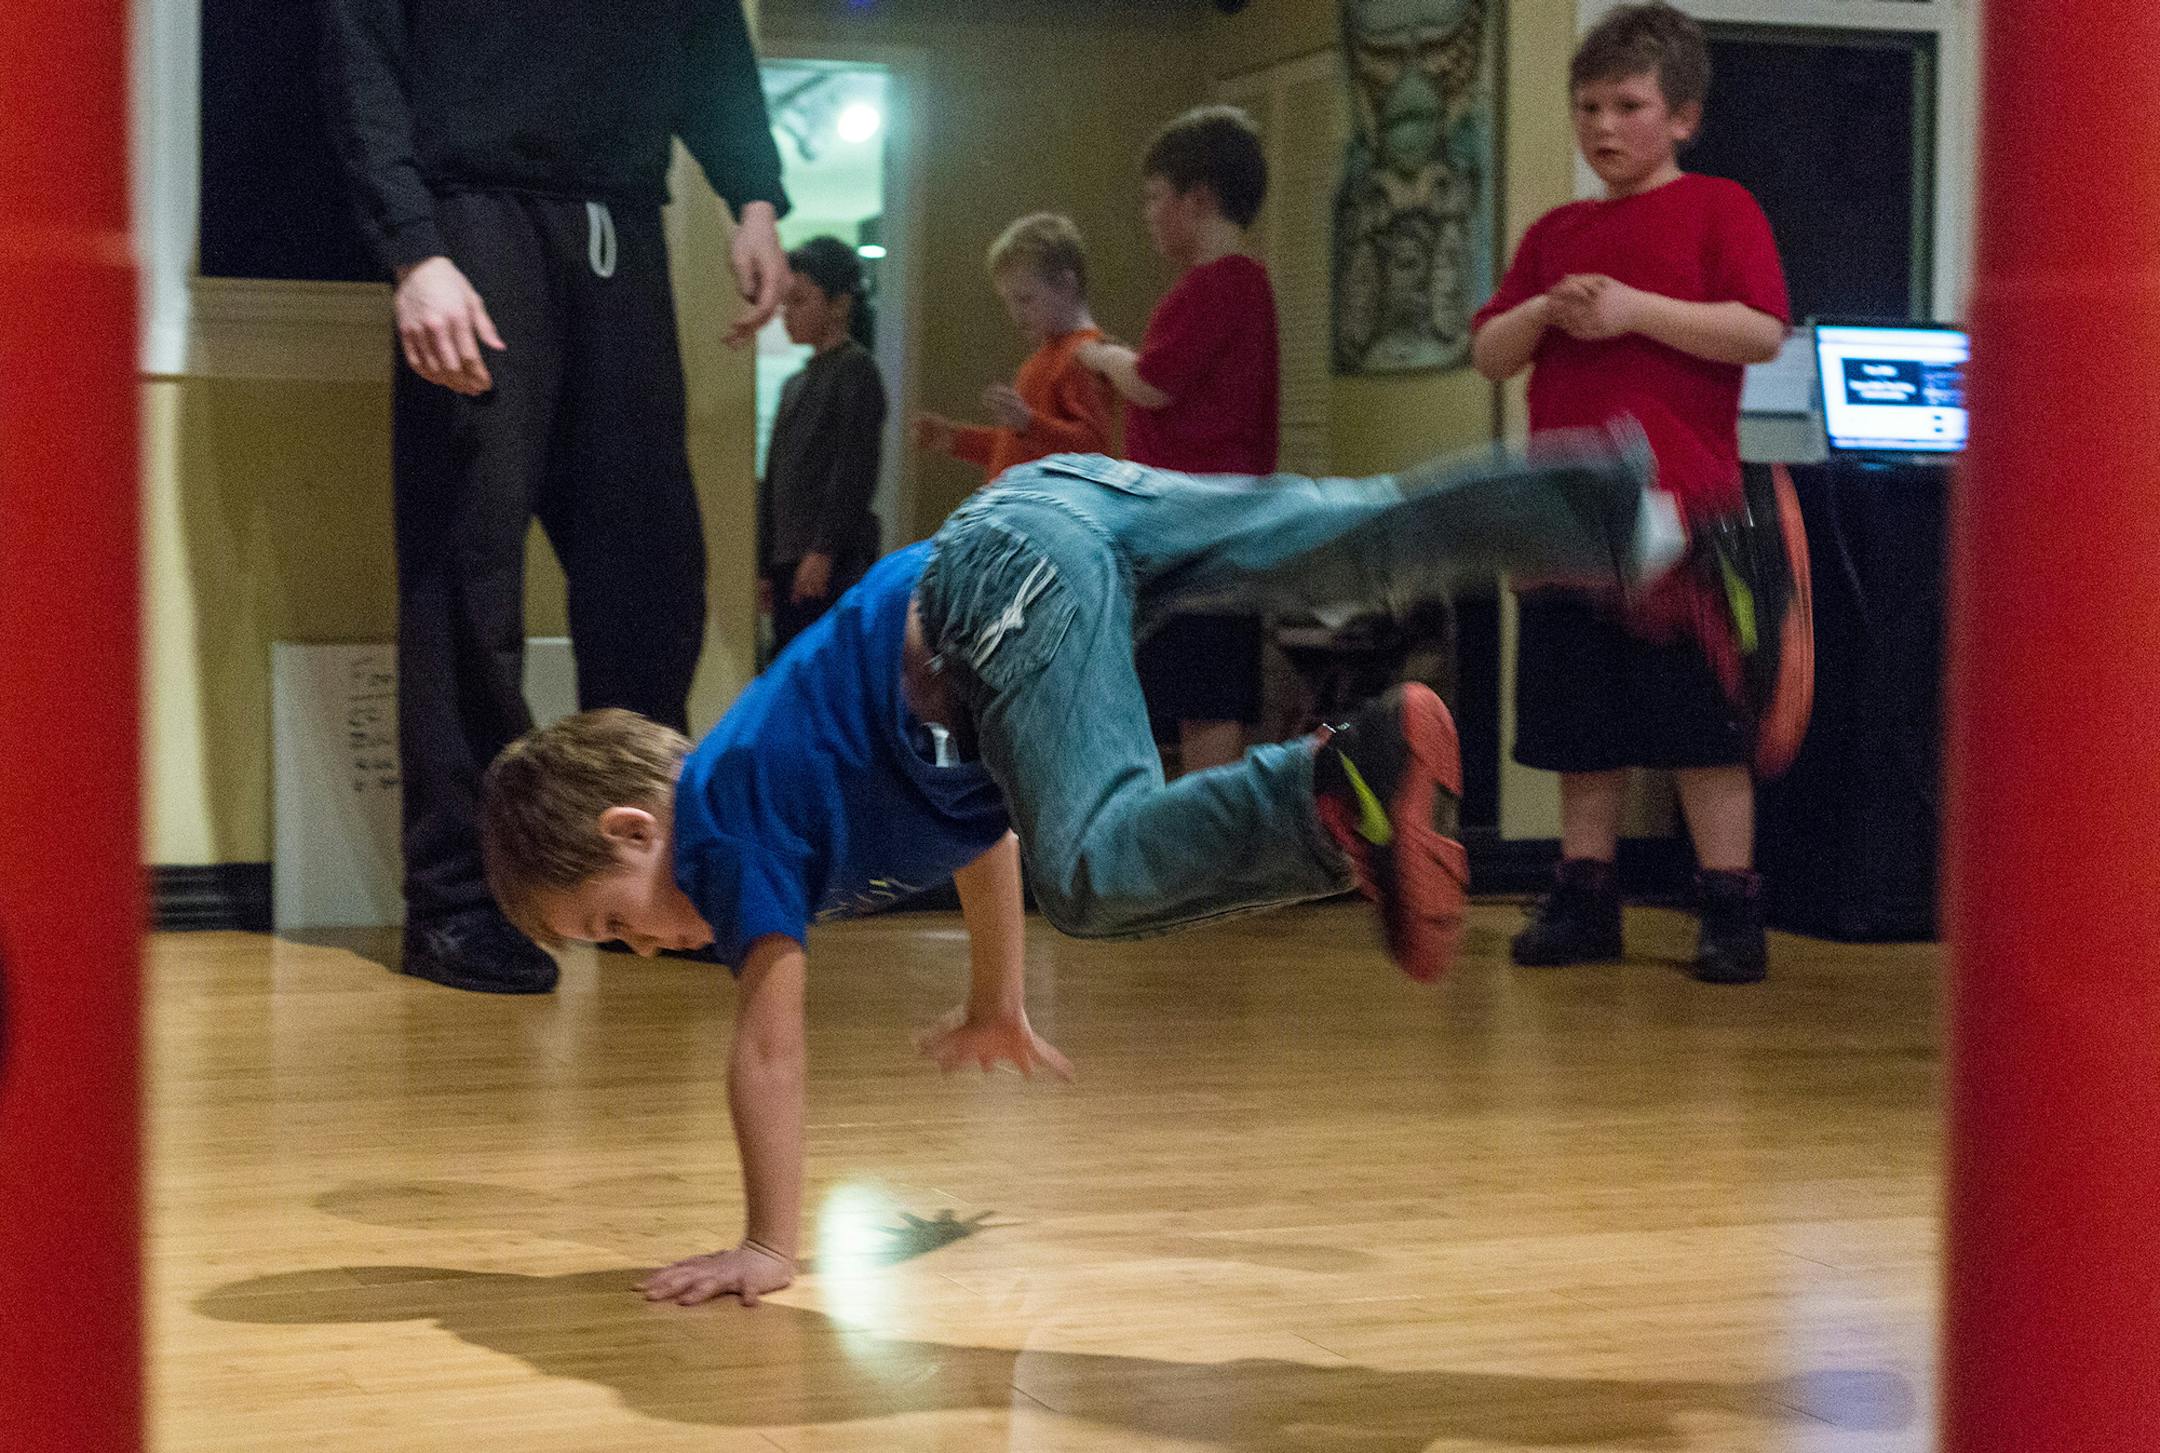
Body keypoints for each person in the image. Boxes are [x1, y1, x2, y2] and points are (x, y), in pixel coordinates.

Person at [477, 425, 1686, 1306]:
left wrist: (767, 1244)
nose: (646, 947)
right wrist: (996, 998)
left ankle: (1332, 790)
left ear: (637, 830)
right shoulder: (797, 780)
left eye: (612, 923)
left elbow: (770, 1043)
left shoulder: (727, 817)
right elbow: (985, 830)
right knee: (1341, 541)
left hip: (994, 586)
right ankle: (1643, 518)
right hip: (1055, 505)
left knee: (1100, 876)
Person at [319, 0, 791, 994]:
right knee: (467, 580)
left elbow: (702, 30)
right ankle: (458, 906)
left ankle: (653, 878)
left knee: (650, 579)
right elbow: (359, 55)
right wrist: (413, 249)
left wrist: (754, 196)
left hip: (622, 216)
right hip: (474, 220)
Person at [1468, 1, 1805, 986]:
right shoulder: (1554, 232)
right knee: (1584, 726)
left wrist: (1634, 312)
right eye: (1588, 107)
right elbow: (1492, 352)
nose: (1605, 126)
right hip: (1570, 520)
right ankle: (1585, 894)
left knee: (1702, 725)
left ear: (1683, 118)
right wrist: (1544, 306)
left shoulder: (1720, 209)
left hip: (1684, 513)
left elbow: (1759, 331)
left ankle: (1732, 903)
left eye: (1629, 105)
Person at [1078, 105, 1280, 775]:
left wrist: (1103, 355)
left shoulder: (1211, 288)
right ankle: (1202, 835)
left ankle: (1204, 841)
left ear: (1199, 200)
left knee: (1206, 695)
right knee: (1205, 694)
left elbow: (1154, 384)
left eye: (1154, 197)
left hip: (1195, 528)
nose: (1148, 213)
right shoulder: (1248, 286)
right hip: (1224, 524)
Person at [914, 213, 1116, 485]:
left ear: (1067, 284)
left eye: (1025, 298)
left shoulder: (1086, 355)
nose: (1015, 314)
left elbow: (1094, 448)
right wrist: (957, 440)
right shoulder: (1045, 357)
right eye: (1008, 301)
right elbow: (1023, 448)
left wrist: (1029, 423)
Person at [758, 237, 888, 657]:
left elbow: (853, 466)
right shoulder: (794, 384)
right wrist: (765, 563)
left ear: (839, 303)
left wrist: (823, 548)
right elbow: (773, 477)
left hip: (829, 561)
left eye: (799, 301)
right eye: (785, 303)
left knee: (822, 665)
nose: (787, 314)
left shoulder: (856, 370)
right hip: (788, 559)